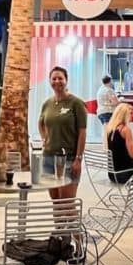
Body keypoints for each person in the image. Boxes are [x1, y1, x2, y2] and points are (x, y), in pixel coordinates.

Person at [38, 66, 87, 200]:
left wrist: (78, 158)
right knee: (56, 203)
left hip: (69, 159)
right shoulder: (47, 103)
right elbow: (41, 122)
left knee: (66, 203)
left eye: (60, 78)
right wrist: (44, 139)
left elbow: (82, 132)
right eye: (54, 78)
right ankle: (59, 221)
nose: (57, 81)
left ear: (66, 80)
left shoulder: (76, 103)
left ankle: (71, 221)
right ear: (50, 81)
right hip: (48, 158)